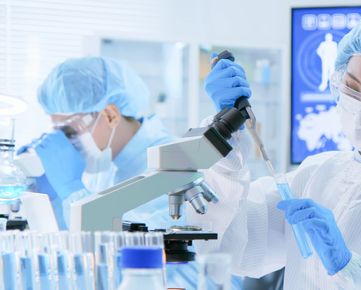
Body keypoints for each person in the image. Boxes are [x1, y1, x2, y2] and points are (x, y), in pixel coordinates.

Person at [187, 6, 361, 289]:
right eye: (352, 89)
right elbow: (231, 248)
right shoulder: (317, 174)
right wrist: (225, 135)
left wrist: (347, 266)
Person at [20, 56, 243, 290]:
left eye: (69, 131)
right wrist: (50, 197)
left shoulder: (170, 166)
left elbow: (122, 260)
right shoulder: (107, 166)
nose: (67, 144)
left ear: (110, 115)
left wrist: (71, 189)